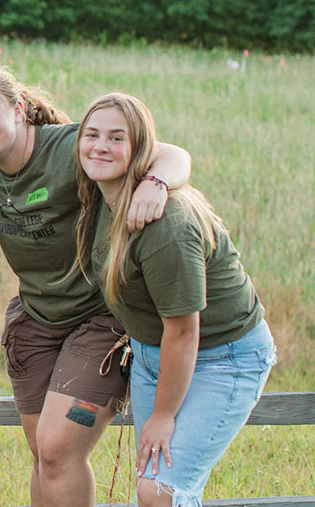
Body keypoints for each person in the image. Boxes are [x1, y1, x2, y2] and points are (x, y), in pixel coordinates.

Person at [0, 65, 192, 507]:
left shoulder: (67, 147)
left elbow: (170, 153)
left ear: (18, 109)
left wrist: (155, 182)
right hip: (36, 318)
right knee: (44, 453)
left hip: (100, 318)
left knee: (59, 448)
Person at [73, 93, 274, 507]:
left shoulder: (167, 224)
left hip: (222, 357)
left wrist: (163, 416)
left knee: (161, 490)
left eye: (116, 138)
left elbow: (184, 331)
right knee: (152, 485)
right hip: (152, 355)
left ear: (141, 150)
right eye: (91, 135)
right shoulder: (103, 193)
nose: (100, 146)